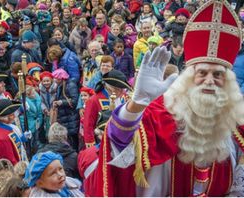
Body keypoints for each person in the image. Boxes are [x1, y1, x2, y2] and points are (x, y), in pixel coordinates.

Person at [89, 1, 244, 196]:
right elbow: (118, 146)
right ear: (188, 79)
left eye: (218, 75)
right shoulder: (162, 114)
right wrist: (137, 104)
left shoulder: (236, 126)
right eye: (202, 73)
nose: (209, 81)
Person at [83, 69, 132, 148]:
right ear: (110, 88)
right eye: (119, 89)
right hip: (101, 141)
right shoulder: (93, 100)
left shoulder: (124, 96)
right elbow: (88, 124)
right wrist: (91, 143)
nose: (123, 92)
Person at [0, 99, 30, 165]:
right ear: (3, 118)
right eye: (11, 115)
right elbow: (10, 163)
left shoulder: (6, 126)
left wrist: (22, 139)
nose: (14, 116)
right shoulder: (2, 139)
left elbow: (14, 145)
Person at [52, 68, 80, 150]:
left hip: (71, 117)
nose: (54, 80)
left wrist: (61, 102)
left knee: (73, 141)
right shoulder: (61, 86)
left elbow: (74, 101)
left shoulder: (70, 85)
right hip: (65, 117)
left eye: (56, 78)